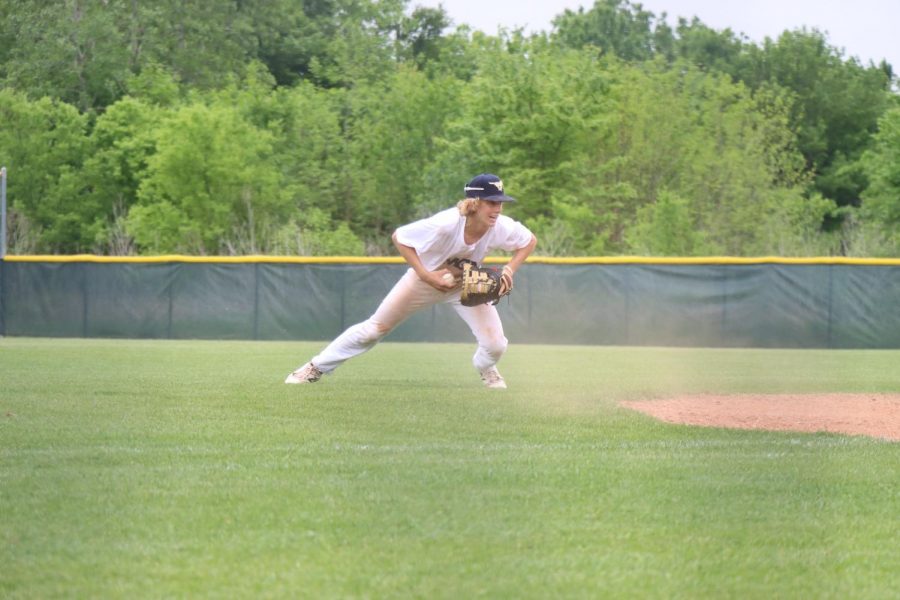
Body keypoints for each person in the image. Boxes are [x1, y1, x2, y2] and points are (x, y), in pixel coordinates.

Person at [285, 173, 538, 389]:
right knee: (373, 330)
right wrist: (426, 275)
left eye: (500, 203)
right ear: (475, 202)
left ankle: (487, 368)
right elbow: (400, 237)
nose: (497, 208)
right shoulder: (446, 223)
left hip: (465, 284)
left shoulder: (500, 226)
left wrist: (509, 270)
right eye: (491, 202)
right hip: (423, 281)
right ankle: (314, 367)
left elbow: (529, 241)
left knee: (495, 345)